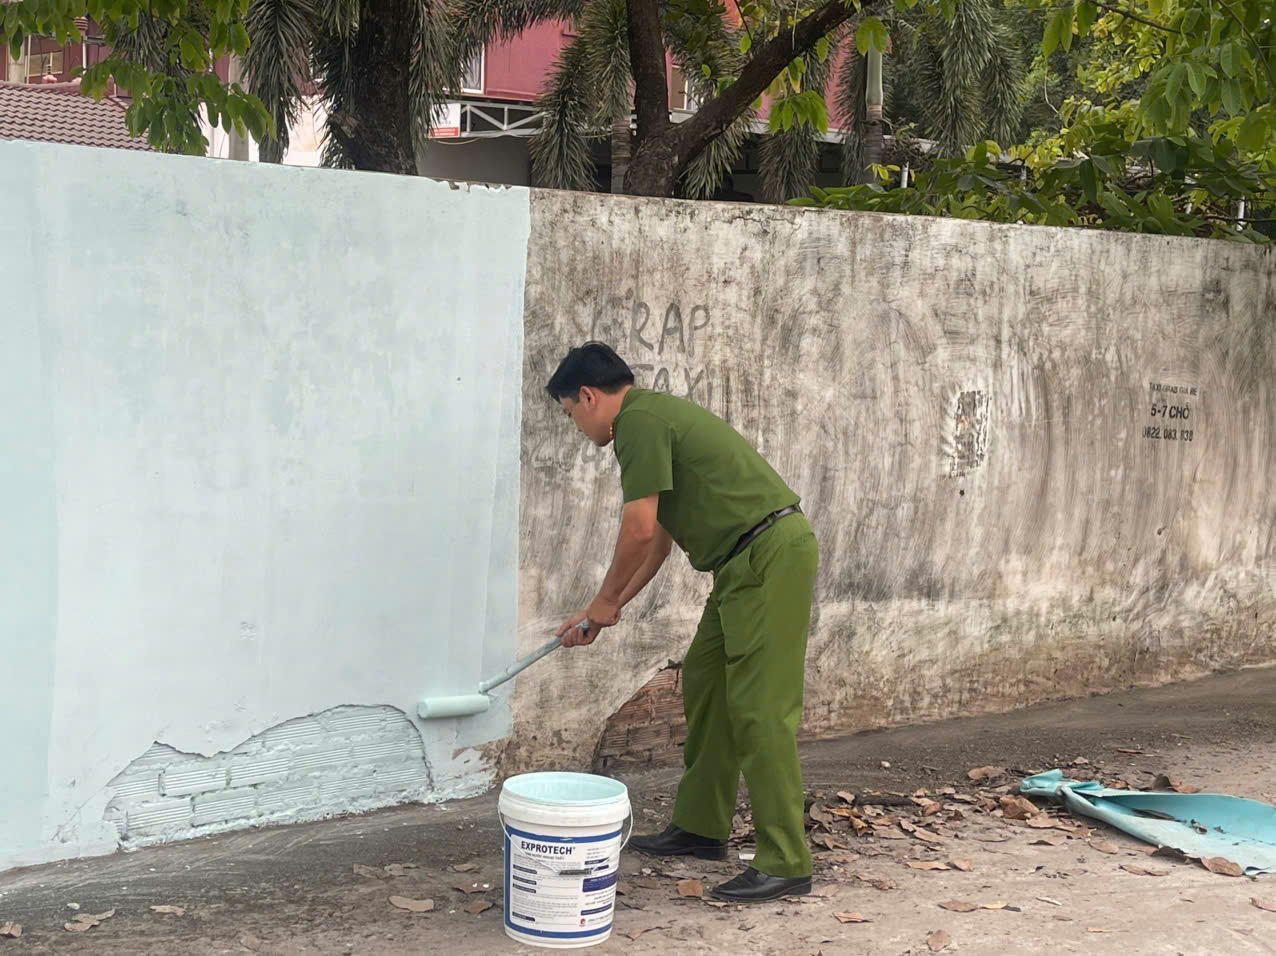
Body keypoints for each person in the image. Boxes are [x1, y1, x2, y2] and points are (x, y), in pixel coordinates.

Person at [547, 342, 819, 904]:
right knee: (706, 683)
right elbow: (658, 546)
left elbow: (639, 529)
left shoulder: (638, 423)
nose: (576, 425)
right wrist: (607, 609)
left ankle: (786, 860)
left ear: (589, 397)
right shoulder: (652, 419)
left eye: (570, 412)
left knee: (760, 708)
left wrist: (603, 600)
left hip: (767, 555)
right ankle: (701, 828)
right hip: (739, 564)